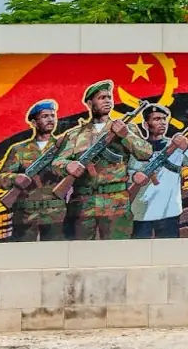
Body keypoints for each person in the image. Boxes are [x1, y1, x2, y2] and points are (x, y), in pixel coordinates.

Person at [59, 80, 152, 241]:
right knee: (81, 253)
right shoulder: (74, 134)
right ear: (89, 103)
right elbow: (57, 162)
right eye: (102, 98)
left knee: (118, 252)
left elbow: (146, 152)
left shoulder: (126, 128)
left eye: (109, 97)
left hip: (116, 202)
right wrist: (68, 166)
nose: (108, 101)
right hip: (83, 204)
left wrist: (125, 135)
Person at [0, 98, 72, 241]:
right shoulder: (19, 150)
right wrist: (14, 179)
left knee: (56, 255)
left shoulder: (65, 147)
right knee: (22, 255)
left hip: (55, 214)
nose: (50, 119)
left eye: (53, 116)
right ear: (34, 123)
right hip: (26, 214)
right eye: (45, 116)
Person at [128, 104, 188, 239]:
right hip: (142, 213)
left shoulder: (176, 148)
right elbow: (129, 172)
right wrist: (134, 176)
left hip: (169, 213)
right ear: (146, 124)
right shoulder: (137, 148)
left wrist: (186, 147)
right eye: (156, 119)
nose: (162, 123)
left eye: (164, 119)